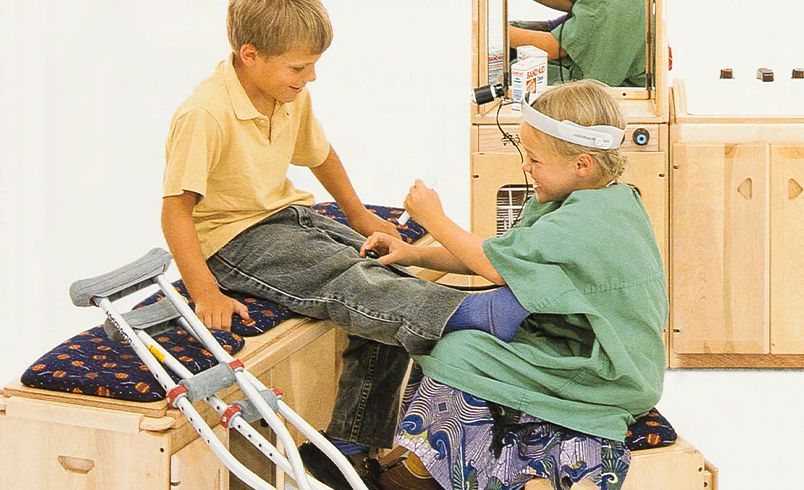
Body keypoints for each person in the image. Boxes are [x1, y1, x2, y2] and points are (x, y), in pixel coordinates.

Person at [161, 1, 532, 488]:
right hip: (232, 242)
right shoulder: (205, 113)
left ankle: (350, 443)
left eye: (314, 63)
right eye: (300, 66)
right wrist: (205, 292)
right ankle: (474, 313)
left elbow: (320, 154)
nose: (310, 76)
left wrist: (357, 214)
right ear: (250, 55)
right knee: (349, 282)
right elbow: (174, 212)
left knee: (385, 270)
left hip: (286, 214)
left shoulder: (285, 91)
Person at [361, 80, 668, 490]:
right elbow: (505, 254)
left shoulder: (587, 221)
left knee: (460, 351)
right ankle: (424, 464)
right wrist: (414, 254)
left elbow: (493, 266)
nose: (526, 167)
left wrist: (433, 219)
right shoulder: (591, 201)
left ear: (583, 163)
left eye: (535, 159)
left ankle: (432, 475)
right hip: (584, 350)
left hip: (611, 374)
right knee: (462, 342)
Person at [508, 0, 647, 87]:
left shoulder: (610, 6)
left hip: (611, 91)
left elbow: (553, 47)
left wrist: (496, 30)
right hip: (608, 70)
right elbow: (577, 4)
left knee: (514, 71)